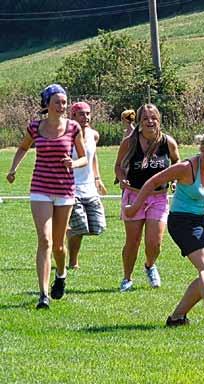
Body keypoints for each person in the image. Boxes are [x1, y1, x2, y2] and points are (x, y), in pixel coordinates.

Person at [124, 130, 204, 329]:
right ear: (203, 151)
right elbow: (154, 181)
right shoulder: (186, 167)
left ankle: (177, 317)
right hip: (181, 222)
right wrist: (134, 207)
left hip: (199, 222)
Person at [6, 84, 87, 309]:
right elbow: (23, 148)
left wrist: (74, 163)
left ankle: (61, 274)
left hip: (64, 190)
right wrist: (13, 169)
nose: (62, 106)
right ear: (47, 104)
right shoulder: (34, 127)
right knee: (45, 239)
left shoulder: (73, 128)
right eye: (58, 102)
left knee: (59, 246)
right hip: (40, 188)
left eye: (64, 102)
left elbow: (84, 158)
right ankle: (43, 295)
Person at [114, 103, 180, 292]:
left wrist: (174, 180)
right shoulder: (130, 142)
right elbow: (118, 166)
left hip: (159, 197)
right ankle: (127, 278)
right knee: (133, 241)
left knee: (154, 242)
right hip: (134, 196)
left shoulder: (168, 142)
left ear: (159, 120)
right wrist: (122, 178)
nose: (150, 121)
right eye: (145, 118)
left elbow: (177, 162)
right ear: (140, 121)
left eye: (153, 118)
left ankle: (150, 265)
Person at [67, 102, 108, 270]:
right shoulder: (66, 136)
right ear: (73, 116)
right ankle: (72, 261)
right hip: (71, 187)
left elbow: (93, 157)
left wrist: (98, 178)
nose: (86, 117)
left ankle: (65, 231)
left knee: (97, 227)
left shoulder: (93, 135)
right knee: (80, 227)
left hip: (89, 187)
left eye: (88, 113)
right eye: (81, 114)